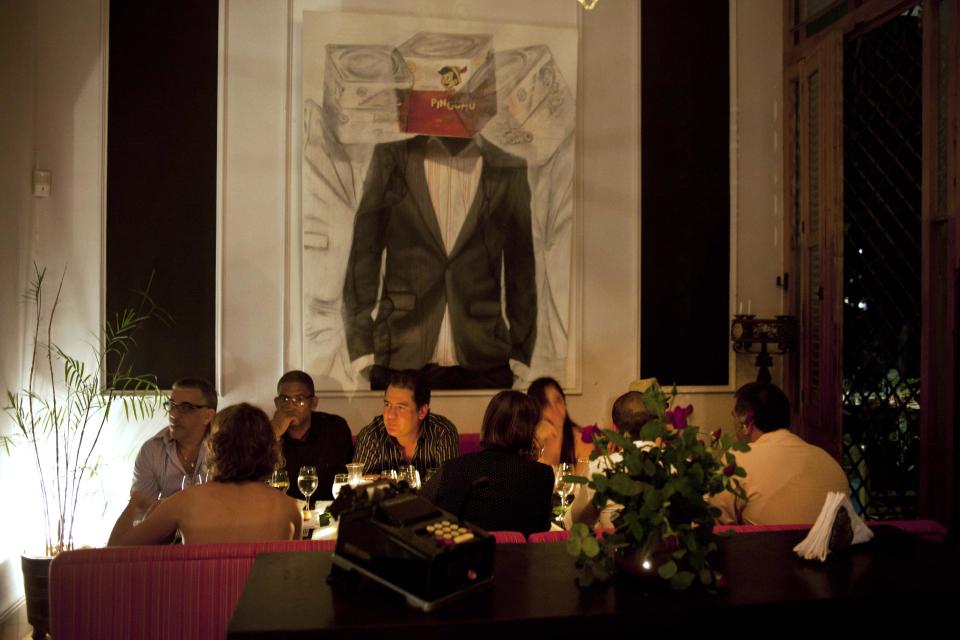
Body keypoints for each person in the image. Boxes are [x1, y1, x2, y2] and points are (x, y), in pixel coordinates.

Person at [341, 134, 537, 390]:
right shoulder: (391, 158)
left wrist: (520, 353)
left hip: (485, 357)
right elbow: (364, 253)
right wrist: (362, 348)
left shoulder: (508, 168)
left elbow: (521, 265)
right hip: (399, 355)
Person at [108, 403, 302, 545]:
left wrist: (135, 502)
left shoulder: (186, 501)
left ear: (215, 447)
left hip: (200, 600)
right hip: (263, 601)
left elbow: (116, 550)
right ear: (269, 449)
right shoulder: (290, 508)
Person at [709, 382, 849, 525]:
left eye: (734, 416)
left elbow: (714, 519)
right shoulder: (828, 460)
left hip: (766, 547)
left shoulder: (737, 460)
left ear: (747, 424)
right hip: (834, 548)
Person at [420, 391, 553, 537]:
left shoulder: (452, 468)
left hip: (463, 556)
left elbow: (418, 507)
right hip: (520, 557)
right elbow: (542, 531)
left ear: (488, 424)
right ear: (530, 432)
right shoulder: (542, 475)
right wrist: (533, 457)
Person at [110, 378, 218, 532]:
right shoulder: (152, 451)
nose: (174, 414)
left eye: (185, 408)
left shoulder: (224, 449)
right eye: (171, 406)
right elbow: (142, 512)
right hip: (164, 539)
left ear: (208, 416)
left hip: (213, 538)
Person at [567, 390, 657, 529]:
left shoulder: (603, 467)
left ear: (615, 429)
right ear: (656, 425)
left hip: (619, 549)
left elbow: (574, 523)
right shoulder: (679, 464)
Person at [352, 370, 459, 478]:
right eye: (387, 404)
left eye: (400, 407)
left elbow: (449, 486)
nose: (390, 415)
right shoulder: (371, 435)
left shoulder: (441, 432)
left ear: (422, 411)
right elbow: (359, 488)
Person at [271, 370, 353, 501]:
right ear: (276, 403)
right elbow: (256, 480)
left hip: (327, 511)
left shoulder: (335, 428)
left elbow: (347, 477)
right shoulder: (266, 434)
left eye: (299, 399)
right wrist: (274, 434)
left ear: (314, 402)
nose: (291, 406)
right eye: (285, 399)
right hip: (284, 512)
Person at [527, 377, 593, 474]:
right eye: (546, 404)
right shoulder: (527, 441)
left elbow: (582, 484)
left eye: (558, 401)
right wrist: (538, 443)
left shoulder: (582, 440)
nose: (555, 410)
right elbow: (529, 481)